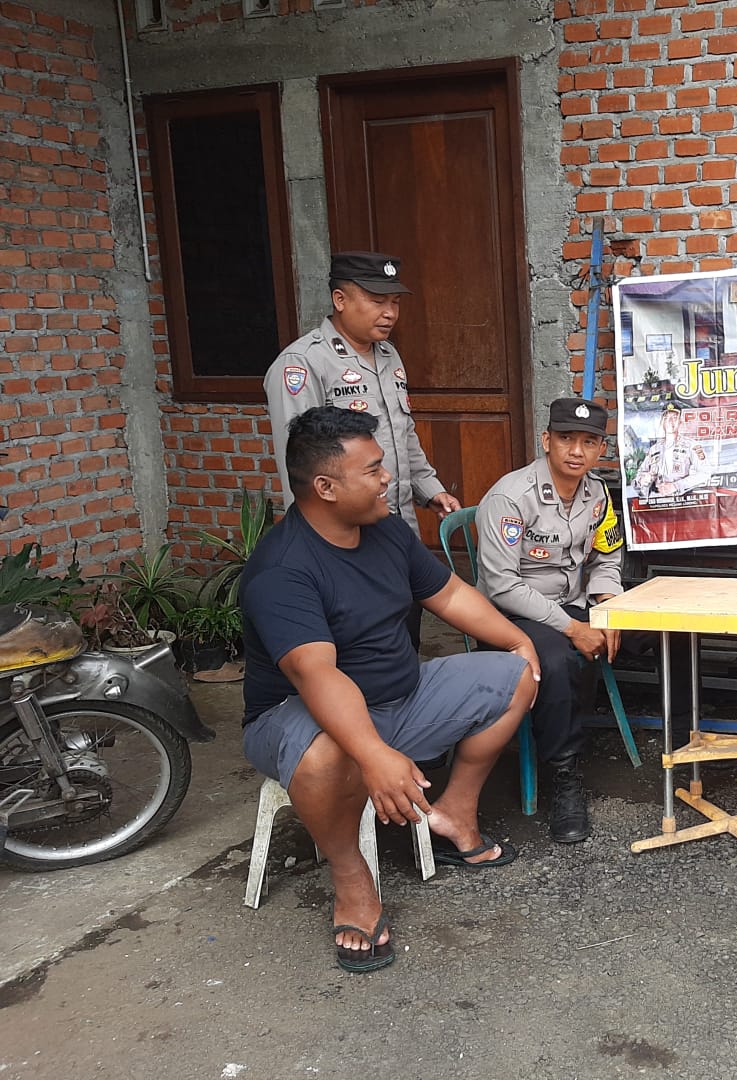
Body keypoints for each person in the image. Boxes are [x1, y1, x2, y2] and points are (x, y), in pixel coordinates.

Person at [239, 407, 541, 973]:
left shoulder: (385, 532)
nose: (388, 481)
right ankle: (352, 879)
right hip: (299, 716)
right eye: (374, 470)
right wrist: (374, 753)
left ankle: (454, 811)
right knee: (331, 752)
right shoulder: (283, 569)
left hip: (403, 696)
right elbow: (318, 676)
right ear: (325, 487)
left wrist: (517, 641)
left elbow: (449, 596)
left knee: (518, 675)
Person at [264, 252, 461, 646]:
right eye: (377, 300)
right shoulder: (303, 364)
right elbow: (298, 465)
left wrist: (429, 487)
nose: (389, 313)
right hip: (343, 539)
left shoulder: (388, 355)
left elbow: (403, 433)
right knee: (360, 648)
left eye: (395, 302)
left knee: (404, 637)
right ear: (340, 300)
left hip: (396, 526)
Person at [475, 397, 627, 844]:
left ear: (601, 450)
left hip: (575, 603)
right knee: (557, 662)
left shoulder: (598, 493)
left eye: (588, 442)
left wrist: (607, 605)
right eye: (565, 439)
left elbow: (607, 553)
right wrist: (574, 628)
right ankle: (563, 776)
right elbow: (501, 586)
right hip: (513, 615)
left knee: (657, 627)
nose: (576, 451)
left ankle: (681, 752)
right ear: (546, 441)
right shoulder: (510, 496)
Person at [632, 402, 712, 498]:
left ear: (680, 422)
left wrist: (676, 486)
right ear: (662, 423)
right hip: (657, 500)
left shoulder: (691, 445)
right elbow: (640, 475)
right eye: (667, 418)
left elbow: (705, 472)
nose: (670, 422)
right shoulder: (654, 449)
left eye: (674, 418)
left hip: (683, 499)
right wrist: (643, 479)